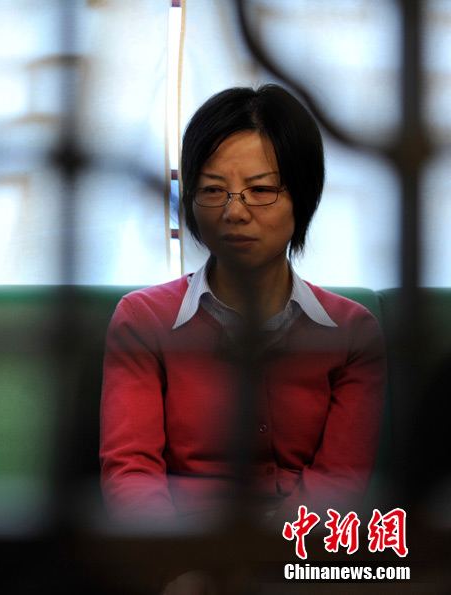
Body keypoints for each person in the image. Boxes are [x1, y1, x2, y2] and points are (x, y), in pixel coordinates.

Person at [99, 84, 386, 531]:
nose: (235, 212)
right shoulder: (142, 320)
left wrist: (271, 569)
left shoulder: (353, 333)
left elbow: (338, 485)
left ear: (303, 197)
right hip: (178, 553)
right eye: (214, 190)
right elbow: (132, 475)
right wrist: (178, 570)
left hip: (302, 558)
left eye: (261, 190)